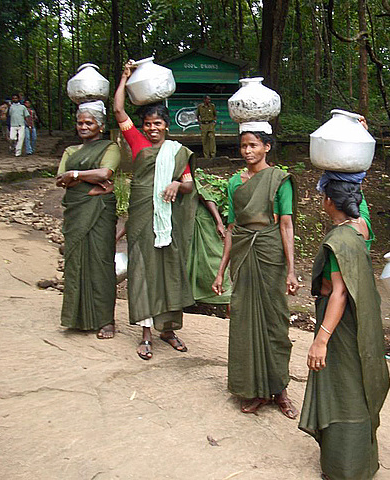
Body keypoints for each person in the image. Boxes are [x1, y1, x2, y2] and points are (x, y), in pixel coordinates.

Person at [299, 179, 390, 480]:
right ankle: (363, 462)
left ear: (329, 202)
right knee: (359, 384)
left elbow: (338, 292)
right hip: (361, 320)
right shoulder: (359, 227)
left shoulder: (338, 240)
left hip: (340, 323)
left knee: (342, 388)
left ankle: (343, 468)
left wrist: (321, 340)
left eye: (323, 196)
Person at [212, 124, 299, 418]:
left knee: (275, 322)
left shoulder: (279, 180)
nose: (247, 151)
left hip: (270, 253)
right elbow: (232, 229)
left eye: (253, 145)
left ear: (267, 147)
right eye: (243, 146)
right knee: (245, 321)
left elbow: (286, 225)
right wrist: (220, 271)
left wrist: (291, 270)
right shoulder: (235, 183)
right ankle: (254, 390)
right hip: (243, 255)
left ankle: (280, 389)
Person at [114, 59, 196, 361]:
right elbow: (119, 111)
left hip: (168, 223)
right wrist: (125, 78)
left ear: (166, 126)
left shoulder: (177, 153)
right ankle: (146, 333)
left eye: (157, 124)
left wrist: (176, 184)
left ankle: (168, 329)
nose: (151, 129)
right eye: (147, 124)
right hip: (141, 220)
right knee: (144, 271)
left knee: (169, 272)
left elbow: (188, 185)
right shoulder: (136, 142)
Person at [56, 101, 120, 339]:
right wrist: (87, 179)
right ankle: (76, 316)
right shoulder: (71, 151)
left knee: (101, 261)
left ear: (100, 126)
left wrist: (75, 175)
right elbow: (59, 180)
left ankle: (106, 320)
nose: (83, 126)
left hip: (100, 211)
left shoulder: (110, 148)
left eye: (89, 123)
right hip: (76, 210)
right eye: (80, 123)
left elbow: (105, 173)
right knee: (76, 261)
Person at [186, 179, 231, 308]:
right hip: (184, 225)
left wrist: (219, 223)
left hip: (201, 222)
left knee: (214, 260)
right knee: (191, 263)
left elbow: (206, 198)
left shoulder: (186, 175)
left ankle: (227, 300)